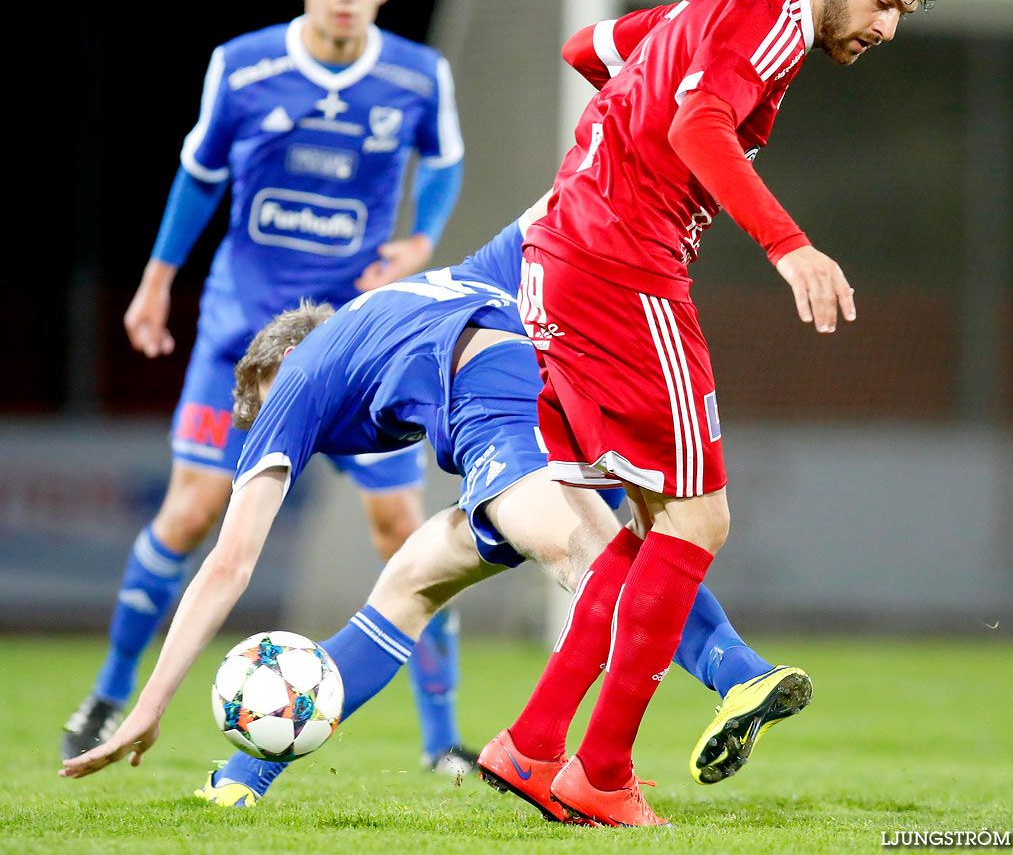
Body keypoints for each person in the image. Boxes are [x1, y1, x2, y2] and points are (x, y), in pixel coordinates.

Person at [59, 209, 807, 823]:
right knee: (409, 586)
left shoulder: (297, 379)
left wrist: (147, 707)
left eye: (260, 416)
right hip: (562, 384)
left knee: (586, 560)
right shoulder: (417, 296)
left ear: (273, 370)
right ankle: (239, 779)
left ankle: (700, 699)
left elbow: (229, 562)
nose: (275, 435)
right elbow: (555, 209)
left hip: (500, 399)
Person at [487, 0, 942, 826]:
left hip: (560, 260)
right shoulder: (777, 7)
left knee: (650, 526)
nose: (887, 27)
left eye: (902, 12)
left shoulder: (716, 3)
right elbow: (697, 125)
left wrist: (626, 134)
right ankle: (601, 775)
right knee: (700, 522)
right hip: (623, 270)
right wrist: (788, 246)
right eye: (884, 1)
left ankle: (533, 746)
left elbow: (590, 51)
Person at [61, 0, 474, 775]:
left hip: (355, 342)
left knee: (400, 522)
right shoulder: (242, 67)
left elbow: (443, 159)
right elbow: (198, 174)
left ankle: (443, 744)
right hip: (243, 331)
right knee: (191, 513)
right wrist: (157, 278)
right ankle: (109, 689)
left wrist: (419, 234)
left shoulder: (416, 75)